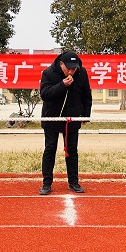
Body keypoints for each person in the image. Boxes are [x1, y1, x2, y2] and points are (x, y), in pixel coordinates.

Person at [39, 50, 92, 195]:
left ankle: (73, 182)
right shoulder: (48, 73)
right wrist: (62, 85)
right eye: (68, 68)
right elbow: (45, 94)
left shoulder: (82, 73)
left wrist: (85, 116)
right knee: (50, 149)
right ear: (61, 64)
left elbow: (87, 95)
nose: (71, 71)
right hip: (51, 118)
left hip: (72, 119)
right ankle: (46, 183)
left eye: (74, 68)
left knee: (72, 151)